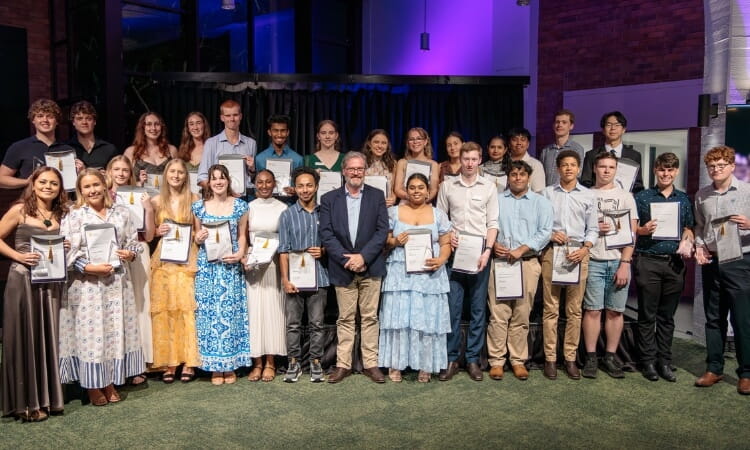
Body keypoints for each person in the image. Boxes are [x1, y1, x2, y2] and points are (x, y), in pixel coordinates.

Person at [59, 169, 144, 406]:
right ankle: (93, 385)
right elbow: (66, 251)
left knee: (113, 331)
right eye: (86, 187)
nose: (93, 190)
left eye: (96, 185)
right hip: (86, 284)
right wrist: (88, 267)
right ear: (80, 191)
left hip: (116, 283)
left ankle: (109, 381)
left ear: (104, 186)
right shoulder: (74, 215)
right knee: (91, 334)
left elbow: (134, 244)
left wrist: (130, 253)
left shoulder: (122, 212)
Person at [0, 167, 68, 421]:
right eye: (43, 182)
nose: (48, 186)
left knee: (46, 339)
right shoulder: (19, 210)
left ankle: (48, 399)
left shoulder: (62, 213)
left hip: (49, 284)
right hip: (23, 281)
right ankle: (26, 404)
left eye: (53, 183)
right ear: (33, 183)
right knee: (26, 339)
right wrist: (18, 255)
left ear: (60, 188)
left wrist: (64, 245)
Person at [319, 151, 389, 384]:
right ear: (344, 171)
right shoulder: (329, 199)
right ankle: (343, 365)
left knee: (370, 317)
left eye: (360, 169)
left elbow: (382, 232)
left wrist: (363, 257)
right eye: (352, 169)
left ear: (365, 171)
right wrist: (346, 259)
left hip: (371, 266)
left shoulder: (377, 196)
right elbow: (326, 234)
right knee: (345, 318)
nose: (356, 173)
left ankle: (370, 364)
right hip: (343, 268)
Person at [378, 173, 452, 383]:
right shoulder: (393, 212)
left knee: (427, 319)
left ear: (428, 191)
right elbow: (383, 240)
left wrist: (442, 260)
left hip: (430, 275)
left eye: (421, 187)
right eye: (412, 187)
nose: (416, 191)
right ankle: (396, 365)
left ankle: (425, 365)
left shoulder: (439, 215)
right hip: (400, 274)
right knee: (399, 318)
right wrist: (394, 241)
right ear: (406, 190)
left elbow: (446, 242)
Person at [436, 141, 499, 382]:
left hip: (480, 255)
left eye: (474, 159)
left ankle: (473, 360)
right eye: (466, 159)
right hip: (454, 255)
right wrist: (448, 236)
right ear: (459, 160)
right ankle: (452, 359)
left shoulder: (489, 187)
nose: (470, 164)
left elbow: (493, 223)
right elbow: (441, 220)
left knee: (477, 309)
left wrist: (488, 251)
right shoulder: (448, 186)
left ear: (480, 160)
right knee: (452, 309)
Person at [488, 161, 552, 381]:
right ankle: (496, 361)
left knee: (522, 313)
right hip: (501, 262)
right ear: (508, 177)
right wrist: (493, 244)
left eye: (522, 174)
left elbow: (545, 232)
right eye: (513, 174)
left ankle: (517, 360)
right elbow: (489, 225)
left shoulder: (540, 202)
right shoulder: (496, 200)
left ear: (529, 177)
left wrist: (522, 249)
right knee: (498, 313)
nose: (517, 178)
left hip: (527, 262)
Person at [693, 145, 750, 395]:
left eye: (720, 165)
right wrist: (699, 246)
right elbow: (698, 227)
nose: (715, 170)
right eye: (711, 166)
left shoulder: (747, 191)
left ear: (731, 166)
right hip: (712, 262)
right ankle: (714, 369)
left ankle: (746, 373)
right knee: (713, 318)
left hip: (739, 261)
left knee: (742, 319)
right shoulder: (702, 195)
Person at [633, 152, 694, 382]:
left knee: (667, 316)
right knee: (647, 314)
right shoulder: (643, 197)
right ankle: (647, 361)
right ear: (655, 171)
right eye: (661, 170)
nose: (666, 174)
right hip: (648, 259)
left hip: (674, 262)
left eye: (670, 170)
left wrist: (687, 240)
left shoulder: (683, 198)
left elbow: (689, 227)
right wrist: (642, 230)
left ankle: (664, 361)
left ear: (676, 171)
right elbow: (632, 229)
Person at [540, 150, 598, 380]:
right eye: (564, 165)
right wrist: (551, 234)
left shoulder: (587, 195)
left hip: (578, 253)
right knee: (550, 309)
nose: (568, 169)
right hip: (552, 253)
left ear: (579, 168)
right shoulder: (545, 194)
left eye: (573, 165)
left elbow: (592, 227)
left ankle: (571, 358)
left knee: (574, 311)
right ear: (557, 168)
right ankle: (550, 359)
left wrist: (586, 248)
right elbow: (540, 225)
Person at [581, 152, 638, 379]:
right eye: (602, 166)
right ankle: (591, 357)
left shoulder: (626, 197)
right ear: (594, 168)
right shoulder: (586, 195)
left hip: (617, 260)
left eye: (611, 167)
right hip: (593, 259)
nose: (606, 171)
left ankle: (611, 356)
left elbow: (632, 234)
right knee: (592, 310)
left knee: (615, 311)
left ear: (616, 170)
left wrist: (625, 262)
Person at [192, 164, 250, 385]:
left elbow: (243, 235)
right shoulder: (198, 207)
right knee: (209, 316)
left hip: (230, 266)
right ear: (209, 182)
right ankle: (215, 367)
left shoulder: (240, 206)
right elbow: (197, 237)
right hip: (208, 268)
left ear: (228, 181)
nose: (218, 182)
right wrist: (198, 238)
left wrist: (240, 253)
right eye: (214, 178)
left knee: (230, 313)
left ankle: (231, 363)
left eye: (222, 178)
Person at [149, 158, 202, 383]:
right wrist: (157, 230)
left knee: (186, 310)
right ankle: (169, 362)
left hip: (187, 258)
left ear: (186, 176)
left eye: (181, 172)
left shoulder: (195, 199)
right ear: (166, 174)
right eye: (172, 171)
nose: (177, 175)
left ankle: (188, 361)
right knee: (167, 311)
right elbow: (149, 235)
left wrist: (199, 237)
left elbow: (199, 232)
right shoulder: (155, 201)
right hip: (163, 261)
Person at [106, 155, 155, 385]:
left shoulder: (142, 195)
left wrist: (148, 209)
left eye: (125, 169)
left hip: (139, 251)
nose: (121, 173)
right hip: (112, 256)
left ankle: (140, 361)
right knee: (119, 308)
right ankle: (117, 362)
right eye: (116, 169)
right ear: (109, 172)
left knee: (140, 305)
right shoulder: (103, 197)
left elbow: (150, 235)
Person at [278, 167, 330, 383]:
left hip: (320, 276)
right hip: (295, 280)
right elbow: (283, 250)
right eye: (300, 185)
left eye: (309, 185)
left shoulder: (326, 212)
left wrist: (325, 250)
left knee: (317, 323)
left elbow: (335, 241)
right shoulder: (287, 215)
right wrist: (285, 279)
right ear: (295, 188)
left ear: (316, 187)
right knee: (293, 324)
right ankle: (294, 363)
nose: (305, 189)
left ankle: (316, 362)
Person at [245, 170, 288, 382]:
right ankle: (257, 362)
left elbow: (286, 239)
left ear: (274, 184)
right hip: (253, 266)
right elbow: (242, 237)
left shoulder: (282, 208)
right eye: (260, 182)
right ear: (254, 184)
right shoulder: (248, 207)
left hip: (272, 266)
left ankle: (270, 362)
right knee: (255, 313)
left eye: (268, 182)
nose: (264, 186)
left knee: (272, 312)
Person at [0, 99, 74, 189]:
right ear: (33, 120)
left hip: (61, 201)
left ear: (57, 121)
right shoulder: (19, 147)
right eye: (40, 116)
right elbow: (1, 179)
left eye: (50, 116)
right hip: (30, 201)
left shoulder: (68, 150)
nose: (45, 120)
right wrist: (26, 182)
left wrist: (80, 172)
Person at [197, 100, 257, 193]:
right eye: (228, 115)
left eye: (235, 115)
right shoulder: (211, 143)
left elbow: (253, 179)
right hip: (219, 198)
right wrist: (218, 191)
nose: (232, 119)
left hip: (244, 198)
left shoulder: (251, 143)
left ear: (240, 116)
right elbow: (202, 177)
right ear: (222, 118)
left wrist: (252, 170)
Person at [581, 111, 644, 193]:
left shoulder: (634, 155)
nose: (613, 128)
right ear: (603, 130)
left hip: (624, 201)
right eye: (609, 125)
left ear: (624, 130)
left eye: (617, 125)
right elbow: (585, 182)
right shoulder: (591, 155)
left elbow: (638, 184)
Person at [124, 111, 178, 187]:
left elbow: (180, 176)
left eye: (157, 124)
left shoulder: (172, 150)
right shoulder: (131, 152)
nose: (153, 128)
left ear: (162, 127)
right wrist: (139, 183)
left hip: (168, 197)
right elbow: (124, 182)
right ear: (143, 128)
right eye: (149, 124)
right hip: (141, 197)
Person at [255, 114, 303, 197]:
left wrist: (295, 190)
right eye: (275, 130)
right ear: (269, 132)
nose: (279, 134)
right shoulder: (260, 158)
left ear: (287, 132)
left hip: (289, 204)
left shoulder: (298, 159)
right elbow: (257, 187)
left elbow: (301, 186)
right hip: (267, 204)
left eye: (283, 130)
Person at [68, 100, 119, 171]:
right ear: (73, 122)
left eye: (88, 119)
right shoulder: (66, 149)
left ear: (94, 122)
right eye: (79, 119)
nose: (84, 122)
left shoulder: (109, 149)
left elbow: (115, 177)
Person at [539, 109, 585, 187]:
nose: (560, 125)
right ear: (553, 125)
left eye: (564, 122)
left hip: (566, 194)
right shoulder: (546, 150)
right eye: (557, 122)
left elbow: (578, 174)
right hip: (548, 194)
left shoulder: (577, 149)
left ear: (571, 126)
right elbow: (540, 175)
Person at [393, 127, 440, 203]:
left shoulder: (434, 164)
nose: (415, 142)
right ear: (408, 143)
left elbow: (433, 190)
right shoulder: (402, 162)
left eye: (419, 138)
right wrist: (410, 198)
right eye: (411, 139)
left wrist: (422, 202)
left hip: (425, 205)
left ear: (425, 142)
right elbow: (397, 189)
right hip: (405, 205)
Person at [362, 128, 397, 207]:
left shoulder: (393, 163)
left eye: (384, 143)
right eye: (376, 142)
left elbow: (393, 190)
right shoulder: (361, 162)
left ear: (387, 145)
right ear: (369, 143)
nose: (380, 146)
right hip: (366, 206)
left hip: (386, 207)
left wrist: (393, 198)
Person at [507, 128, 545, 193]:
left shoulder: (535, 165)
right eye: (515, 140)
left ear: (528, 144)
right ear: (509, 144)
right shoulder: (503, 162)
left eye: (523, 140)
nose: (519, 143)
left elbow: (539, 192)